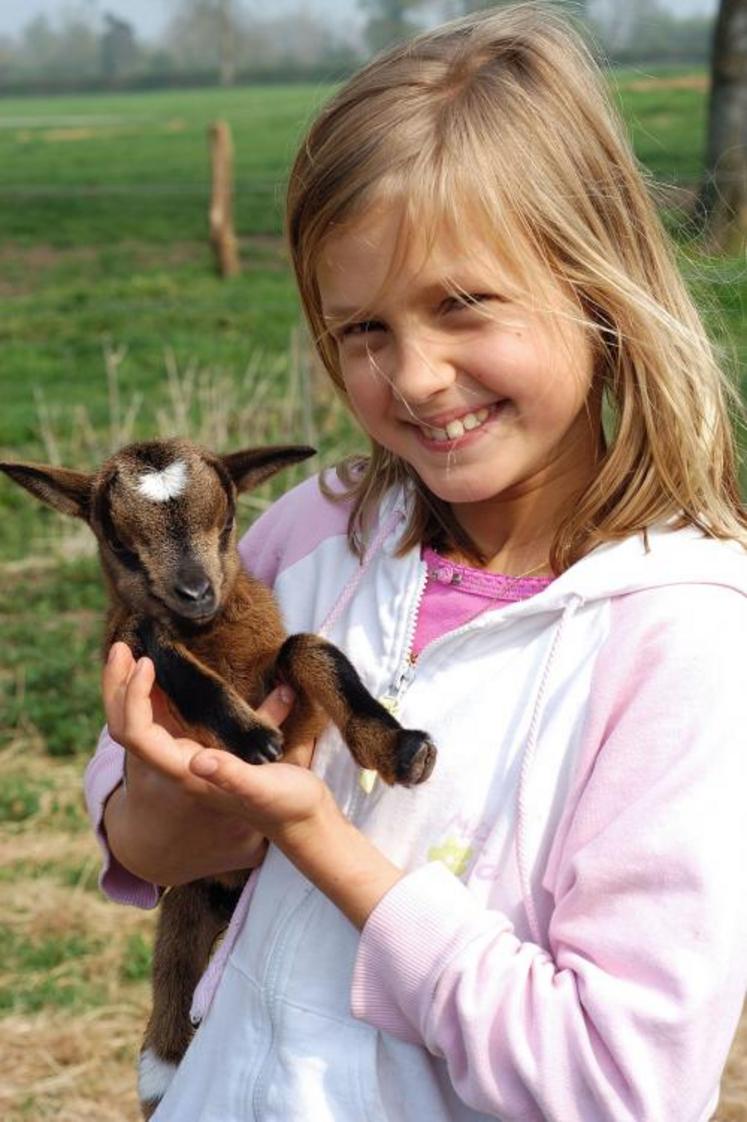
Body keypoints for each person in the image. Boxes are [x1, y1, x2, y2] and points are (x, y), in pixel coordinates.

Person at [85, 4, 747, 1120]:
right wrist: (161, 807)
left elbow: (612, 1084)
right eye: (364, 331)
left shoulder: (684, 637)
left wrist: (321, 841)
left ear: (596, 285)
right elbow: (138, 825)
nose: (420, 377)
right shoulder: (312, 533)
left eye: (463, 305)